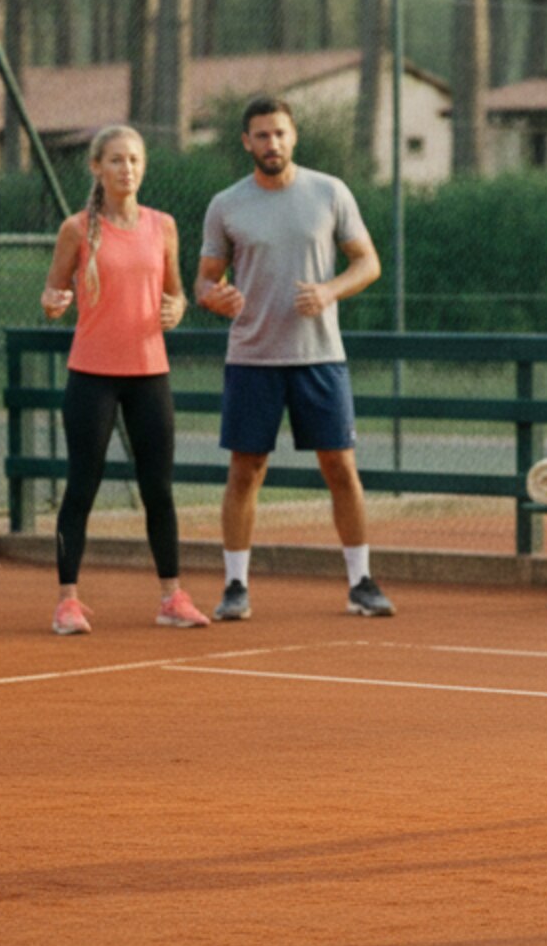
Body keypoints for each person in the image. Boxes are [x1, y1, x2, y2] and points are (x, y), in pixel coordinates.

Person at [194, 97, 395, 620]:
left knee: (340, 467)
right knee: (246, 470)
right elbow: (205, 279)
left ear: (294, 136)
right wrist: (214, 296)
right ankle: (235, 587)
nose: (272, 144)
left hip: (320, 357)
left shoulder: (330, 192)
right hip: (252, 357)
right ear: (247, 142)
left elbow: (368, 262)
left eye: (280, 134)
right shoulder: (226, 204)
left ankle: (361, 582)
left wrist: (329, 292)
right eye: (261, 136)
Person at [39, 124, 209, 635]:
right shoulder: (75, 229)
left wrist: (175, 308)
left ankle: (171, 597)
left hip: (149, 374)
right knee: (82, 487)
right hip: (91, 375)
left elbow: (175, 293)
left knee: (158, 488)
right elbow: (52, 296)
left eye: (134, 160)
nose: (126, 169)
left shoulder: (164, 227)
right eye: (116, 160)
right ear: (97, 168)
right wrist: (54, 304)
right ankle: (67, 602)